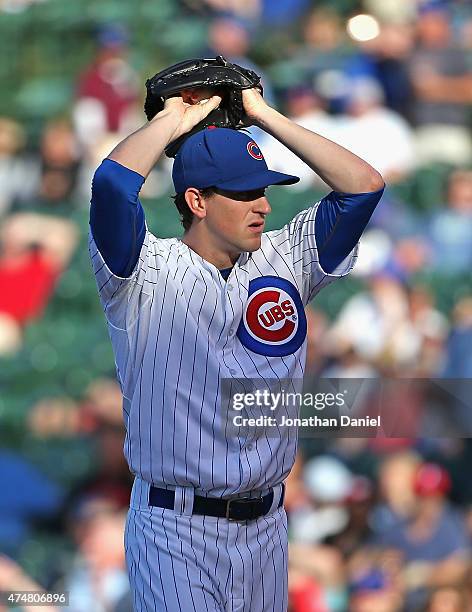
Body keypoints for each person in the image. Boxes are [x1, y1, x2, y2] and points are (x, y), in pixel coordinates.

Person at [89, 84, 384, 611]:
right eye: (244, 193)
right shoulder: (142, 273)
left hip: (267, 530)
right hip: (174, 530)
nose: (263, 205)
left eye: (263, 190)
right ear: (197, 201)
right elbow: (112, 185)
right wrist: (173, 122)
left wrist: (263, 115)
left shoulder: (286, 257)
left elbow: (363, 186)